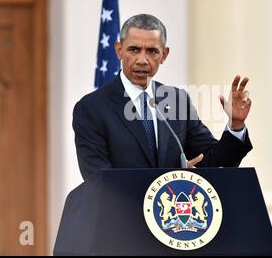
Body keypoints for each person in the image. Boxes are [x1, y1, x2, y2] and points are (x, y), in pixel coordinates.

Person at [73, 14, 253, 181]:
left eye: (152, 51)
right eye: (134, 50)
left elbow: (214, 163)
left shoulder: (177, 100)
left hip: (172, 214)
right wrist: (169, 180)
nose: (142, 60)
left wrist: (235, 126)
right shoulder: (91, 108)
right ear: (119, 50)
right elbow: (99, 179)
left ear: (164, 55)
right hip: (120, 215)